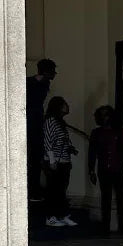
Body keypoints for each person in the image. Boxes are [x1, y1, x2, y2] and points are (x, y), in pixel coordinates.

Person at [88, 105, 123, 235]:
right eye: (102, 115)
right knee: (106, 199)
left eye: (107, 114)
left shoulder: (119, 132)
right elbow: (92, 153)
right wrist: (91, 170)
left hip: (118, 170)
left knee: (121, 199)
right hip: (104, 170)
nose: (105, 117)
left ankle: (122, 226)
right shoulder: (96, 133)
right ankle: (105, 227)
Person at [42, 96, 78, 227]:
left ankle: (61, 215)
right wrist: (52, 160)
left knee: (61, 190)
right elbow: (47, 141)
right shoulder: (50, 121)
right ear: (58, 106)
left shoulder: (60, 122)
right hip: (55, 161)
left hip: (64, 161)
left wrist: (70, 148)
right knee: (53, 190)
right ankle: (50, 217)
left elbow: (62, 140)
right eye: (64, 104)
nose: (67, 106)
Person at [26, 58, 57, 202]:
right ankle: (33, 191)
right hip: (33, 121)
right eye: (53, 71)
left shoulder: (31, 81)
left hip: (33, 120)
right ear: (47, 71)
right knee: (35, 157)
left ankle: (34, 190)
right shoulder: (40, 82)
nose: (55, 74)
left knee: (34, 157)